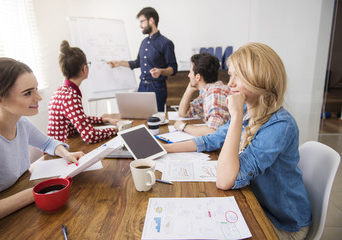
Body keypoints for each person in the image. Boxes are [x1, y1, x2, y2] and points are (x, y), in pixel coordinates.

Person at [164, 43, 312, 239]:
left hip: (283, 223)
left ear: (258, 80)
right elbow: (212, 139)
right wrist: (165, 148)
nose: (229, 84)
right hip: (257, 205)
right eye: (230, 75)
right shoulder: (246, 111)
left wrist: (234, 118)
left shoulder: (280, 126)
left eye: (237, 77)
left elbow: (225, 180)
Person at [0, 57, 84, 233]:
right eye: (28, 93)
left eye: (36, 89)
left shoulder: (19, 122)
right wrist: (34, 193)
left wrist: (66, 154)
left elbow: (47, 142)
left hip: (22, 206)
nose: (38, 97)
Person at [48, 40, 122, 144]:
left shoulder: (60, 91)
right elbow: (90, 136)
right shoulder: (70, 96)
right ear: (84, 69)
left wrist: (106, 120)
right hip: (64, 151)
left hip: (61, 147)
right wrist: (118, 129)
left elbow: (80, 118)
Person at [108, 7, 178, 112]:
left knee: (156, 119)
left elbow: (173, 68)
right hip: (142, 86)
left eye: (142, 21)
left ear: (151, 20)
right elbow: (137, 63)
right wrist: (118, 63)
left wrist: (161, 71)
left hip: (157, 87)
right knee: (140, 117)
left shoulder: (166, 43)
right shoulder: (144, 42)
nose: (140, 25)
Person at [174, 53, 230, 136]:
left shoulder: (214, 94)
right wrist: (189, 90)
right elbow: (183, 113)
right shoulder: (208, 91)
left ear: (198, 77)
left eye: (190, 72)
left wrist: (183, 126)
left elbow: (213, 131)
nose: (188, 75)